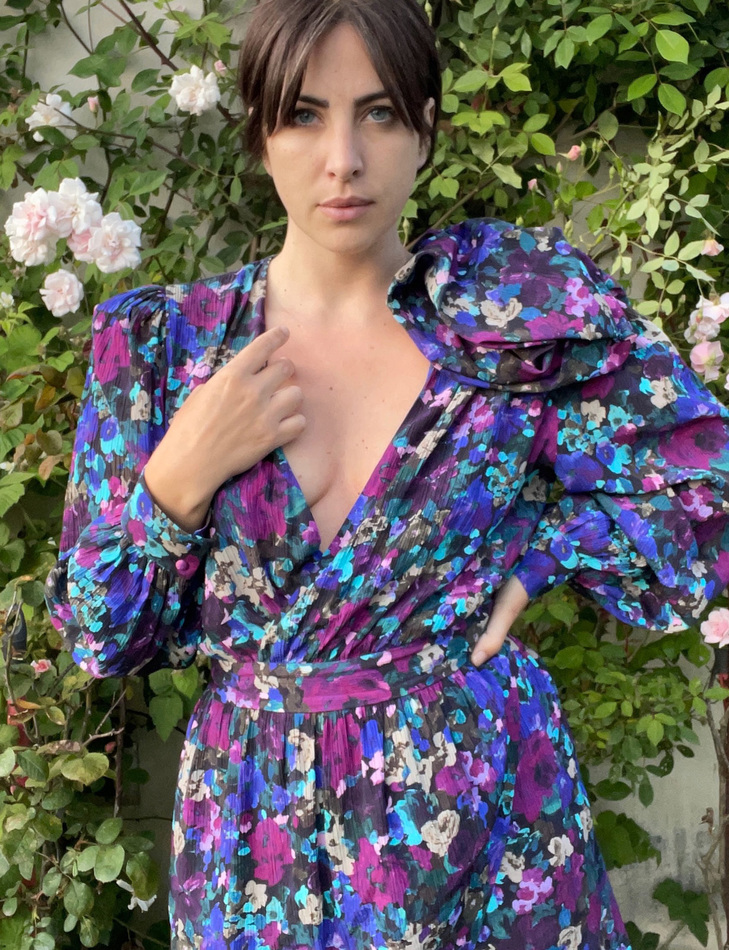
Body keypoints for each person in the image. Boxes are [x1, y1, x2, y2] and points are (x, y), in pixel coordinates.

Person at [45, 0, 729, 947]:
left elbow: (700, 483)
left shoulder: (505, 322)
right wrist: (177, 478)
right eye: (302, 114)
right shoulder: (166, 347)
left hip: (489, 827)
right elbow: (96, 635)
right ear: (259, 132)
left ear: (425, 129)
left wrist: (543, 559)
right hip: (256, 840)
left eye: (378, 113)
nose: (343, 160)